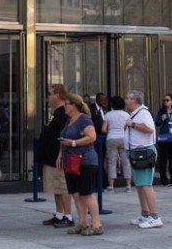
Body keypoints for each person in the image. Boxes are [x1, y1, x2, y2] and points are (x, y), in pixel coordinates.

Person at [58, 94, 102, 236]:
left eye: (66, 104)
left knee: (86, 193)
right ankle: (83, 223)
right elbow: (64, 140)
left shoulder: (84, 118)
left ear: (74, 105)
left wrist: (73, 143)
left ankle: (97, 225)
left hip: (85, 161)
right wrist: (60, 156)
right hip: (70, 161)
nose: (64, 107)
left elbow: (92, 137)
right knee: (76, 194)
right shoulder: (69, 120)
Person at [124, 90, 161, 229]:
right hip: (135, 152)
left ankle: (155, 216)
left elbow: (149, 129)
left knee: (146, 184)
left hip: (143, 153)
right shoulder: (135, 113)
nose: (126, 100)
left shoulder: (143, 113)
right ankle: (145, 214)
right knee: (140, 185)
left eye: (128, 98)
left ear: (135, 100)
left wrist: (132, 124)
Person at [38, 84, 72, 228]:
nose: (48, 96)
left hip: (56, 156)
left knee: (62, 186)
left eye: (50, 93)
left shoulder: (63, 112)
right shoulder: (56, 112)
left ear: (58, 94)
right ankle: (59, 214)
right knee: (55, 187)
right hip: (50, 156)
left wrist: (60, 155)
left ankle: (68, 216)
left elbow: (63, 136)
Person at [102, 95, 131, 192]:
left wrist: (111, 131)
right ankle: (128, 186)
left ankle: (111, 187)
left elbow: (103, 129)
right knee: (126, 162)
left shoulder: (108, 115)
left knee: (112, 162)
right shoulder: (126, 115)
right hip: (124, 138)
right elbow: (128, 127)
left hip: (111, 139)